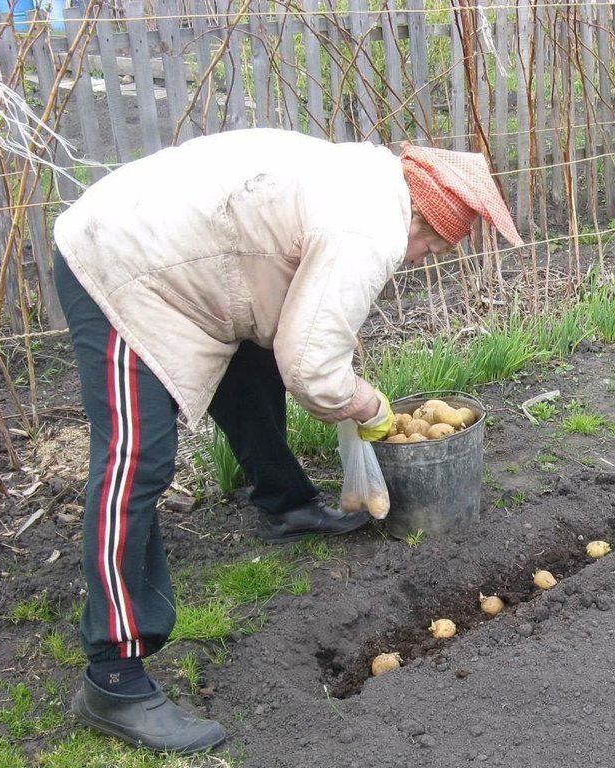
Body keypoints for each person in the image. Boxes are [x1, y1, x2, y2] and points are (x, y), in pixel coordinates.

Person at [51, 128, 524, 754]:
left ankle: (287, 505)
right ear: (424, 220)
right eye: (432, 247)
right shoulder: (368, 225)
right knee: (135, 461)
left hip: (196, 270)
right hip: (121, 265)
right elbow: (312, 370)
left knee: (252, 370)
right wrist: (369, 405)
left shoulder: (366, 181)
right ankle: (114, 676)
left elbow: (294, 327)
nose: (421, 260)